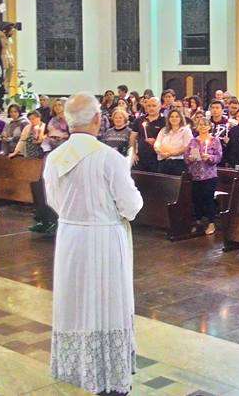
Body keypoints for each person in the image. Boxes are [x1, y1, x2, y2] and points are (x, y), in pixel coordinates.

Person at [43, 92, 143, 395]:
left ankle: (76, 367)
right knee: (107, 300)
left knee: (75, 301)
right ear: (98, 120)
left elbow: (53, 201)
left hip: (71, 237)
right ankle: (108, 372)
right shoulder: (109, 157)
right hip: (104, 238)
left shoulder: (54, 157)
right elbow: (132, 206)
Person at [186, 116, 223, 235]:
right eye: (200, 124)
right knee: (196, 199)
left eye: (205, 124)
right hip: (195, 174)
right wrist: (190, 158)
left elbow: (219, 157)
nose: (202, 126)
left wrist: (210, 158)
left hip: (209, 175)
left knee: (208, 199)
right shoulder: (193, 141)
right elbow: (186, 156)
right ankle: (198, 221)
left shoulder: (214, 140)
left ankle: (211, 223)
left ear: (209, 126)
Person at [154, 109, 193, 175]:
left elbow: (187, 146)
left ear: (181, 118)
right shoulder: (164, 130)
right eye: (171, 116)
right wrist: (160, 152)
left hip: (178, 163)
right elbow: (157, 144)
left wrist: (171, 154)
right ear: (168, 118)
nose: (174, 118)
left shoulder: (186, 130)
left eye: (177, 116)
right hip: (163, 162)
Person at [131, 98, 165, 172]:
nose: (151, 108)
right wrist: (133, 153)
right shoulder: (139, 120)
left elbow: (168, 140)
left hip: (157, 159)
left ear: (160, 107)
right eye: (149, 106)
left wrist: (156, 142)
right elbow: (132, 137)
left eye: (154, 105)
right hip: (141, 158)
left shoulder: (165, 121)